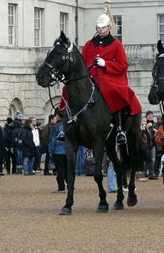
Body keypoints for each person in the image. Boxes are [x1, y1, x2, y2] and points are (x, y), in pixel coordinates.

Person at [81, 10, 141, 140]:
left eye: (103, 27)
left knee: (110, 89)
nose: (101, 30)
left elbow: (123, 65)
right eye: (98, 27)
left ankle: (119, 127)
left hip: (111, 78)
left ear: (109, 28)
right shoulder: (89, 45)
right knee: (69, 88)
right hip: (90, 77)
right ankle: (64, 122)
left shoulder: (116, 45)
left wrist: (106, 64)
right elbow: (82, 63)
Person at [49, 112, 67, 193]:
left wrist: (50, 150)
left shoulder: (56, 126)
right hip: (67, 150)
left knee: (60, 170)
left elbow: (53, 139)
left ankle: (61, 187)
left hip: (58, 151)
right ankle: (70, 185)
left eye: (56, 115)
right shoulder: (68, 125)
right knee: (67, 169)